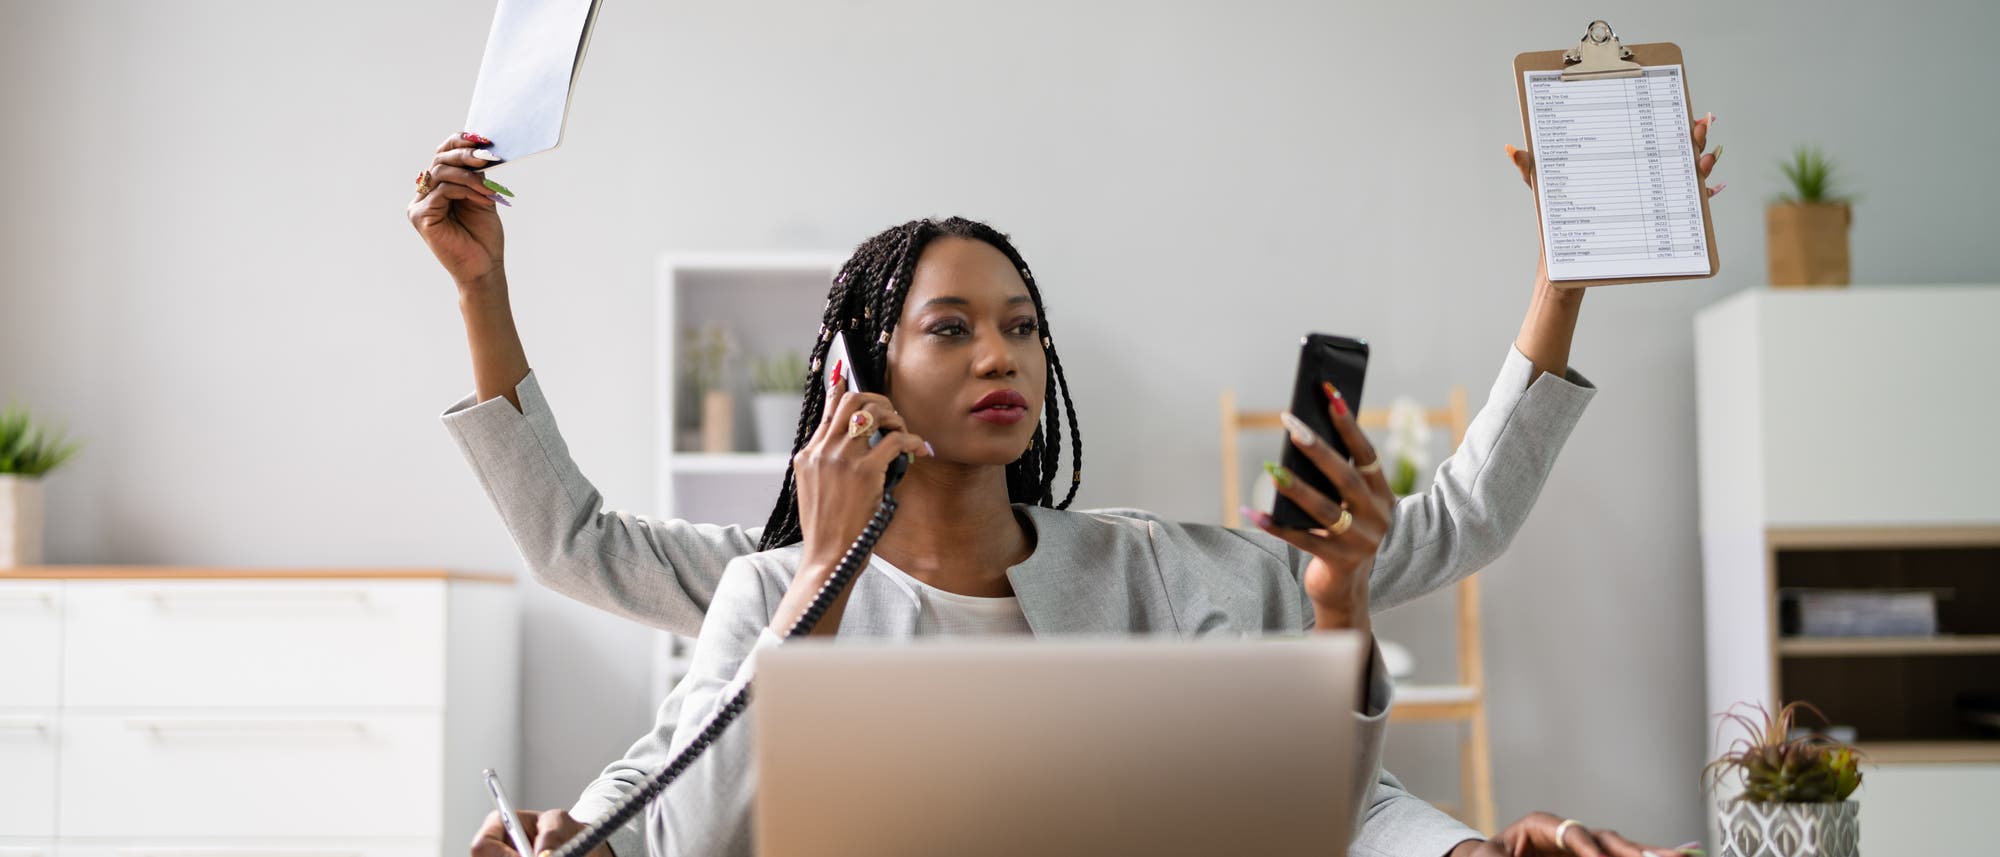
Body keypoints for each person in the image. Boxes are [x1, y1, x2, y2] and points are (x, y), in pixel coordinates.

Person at [409, 117, 1721, 857]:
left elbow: (1434, 566)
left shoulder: (1172, 573)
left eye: (1024, 326)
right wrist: (482, 294)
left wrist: (1561, 287)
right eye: (951, 328)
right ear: (857, 370)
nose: (1002, 355)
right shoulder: (773, 587)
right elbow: (584, 563)